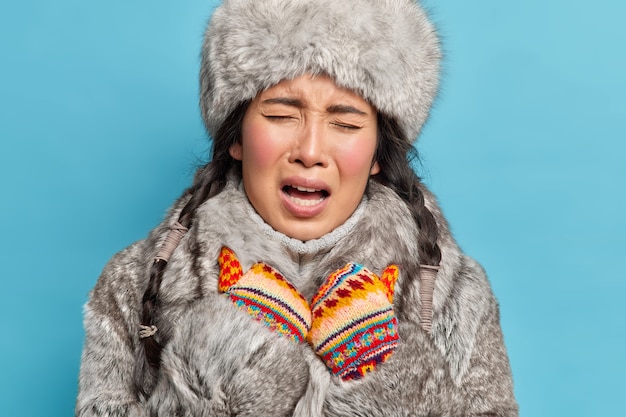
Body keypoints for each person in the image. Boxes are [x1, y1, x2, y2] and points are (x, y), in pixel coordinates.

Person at [75, 0, 518, 416]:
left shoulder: (453, 293)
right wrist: (221, 366)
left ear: (379, 154)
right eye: (280, 115)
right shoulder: (134, 283)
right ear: (236, 137)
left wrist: (387, 380)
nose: (310, 150)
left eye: (345, 122)